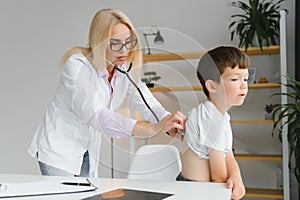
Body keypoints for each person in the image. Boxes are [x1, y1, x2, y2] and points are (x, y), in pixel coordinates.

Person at [28, 8, 186, 178]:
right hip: (59, 151)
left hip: (88, 150)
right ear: (99, 42)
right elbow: (99, 117)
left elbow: (147, 102)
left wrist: (170, 123)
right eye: (115, 43)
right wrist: (151, 129)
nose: (124, 50)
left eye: (128, 41)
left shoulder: (123, 69)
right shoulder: (77, 67)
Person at [177, 46, 249, 199]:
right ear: (211, 86)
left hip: (196, 189)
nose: (244, 85)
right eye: (235, 79)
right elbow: (218, 178)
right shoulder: (211, 118)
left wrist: (236, 176)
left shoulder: (219, 115)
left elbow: (227, 154)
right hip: (195, 193)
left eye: (245, 78)